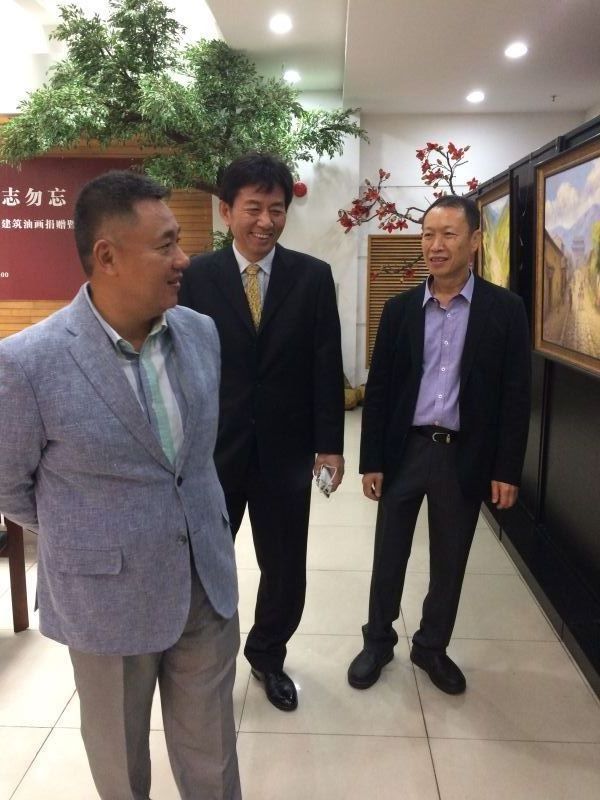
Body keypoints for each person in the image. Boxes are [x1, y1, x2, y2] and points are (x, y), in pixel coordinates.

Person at [0, 171, 241, 799]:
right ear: (107, 256)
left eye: (179, 239)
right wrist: (90, 536)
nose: (183, 258)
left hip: (203, 580)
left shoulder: (201, 333)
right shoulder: (28, 362)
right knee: (121, 765)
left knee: (213, 757)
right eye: (166, 244)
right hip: (104, 598)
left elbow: (195, 460)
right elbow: (9, 484)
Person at [178, 153, 345, 712]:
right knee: (206, 564)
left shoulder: (312, 277)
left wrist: (330, 446)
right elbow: (177, 363)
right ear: (227, 211)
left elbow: (326, 365)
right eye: (253, 208)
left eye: (276, 209)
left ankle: (268, 654)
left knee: (285, 567)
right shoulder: (196, 277)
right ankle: (205, 661)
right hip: (211, 453)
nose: (266, 221)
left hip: (286, 452)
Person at [348, 195, 531, 695]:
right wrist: (371, 460)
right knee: (389, 553)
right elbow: (380, 389)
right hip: (405, 450)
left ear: (475, 241)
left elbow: (516, 397)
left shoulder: (505, 311)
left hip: (463, 455)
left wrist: (507, 469)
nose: (436, 245)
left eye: (449, 234)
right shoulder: (400, 310)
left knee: (450, 560)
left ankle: (431, 646)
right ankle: (378, 640)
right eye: (428, 234)